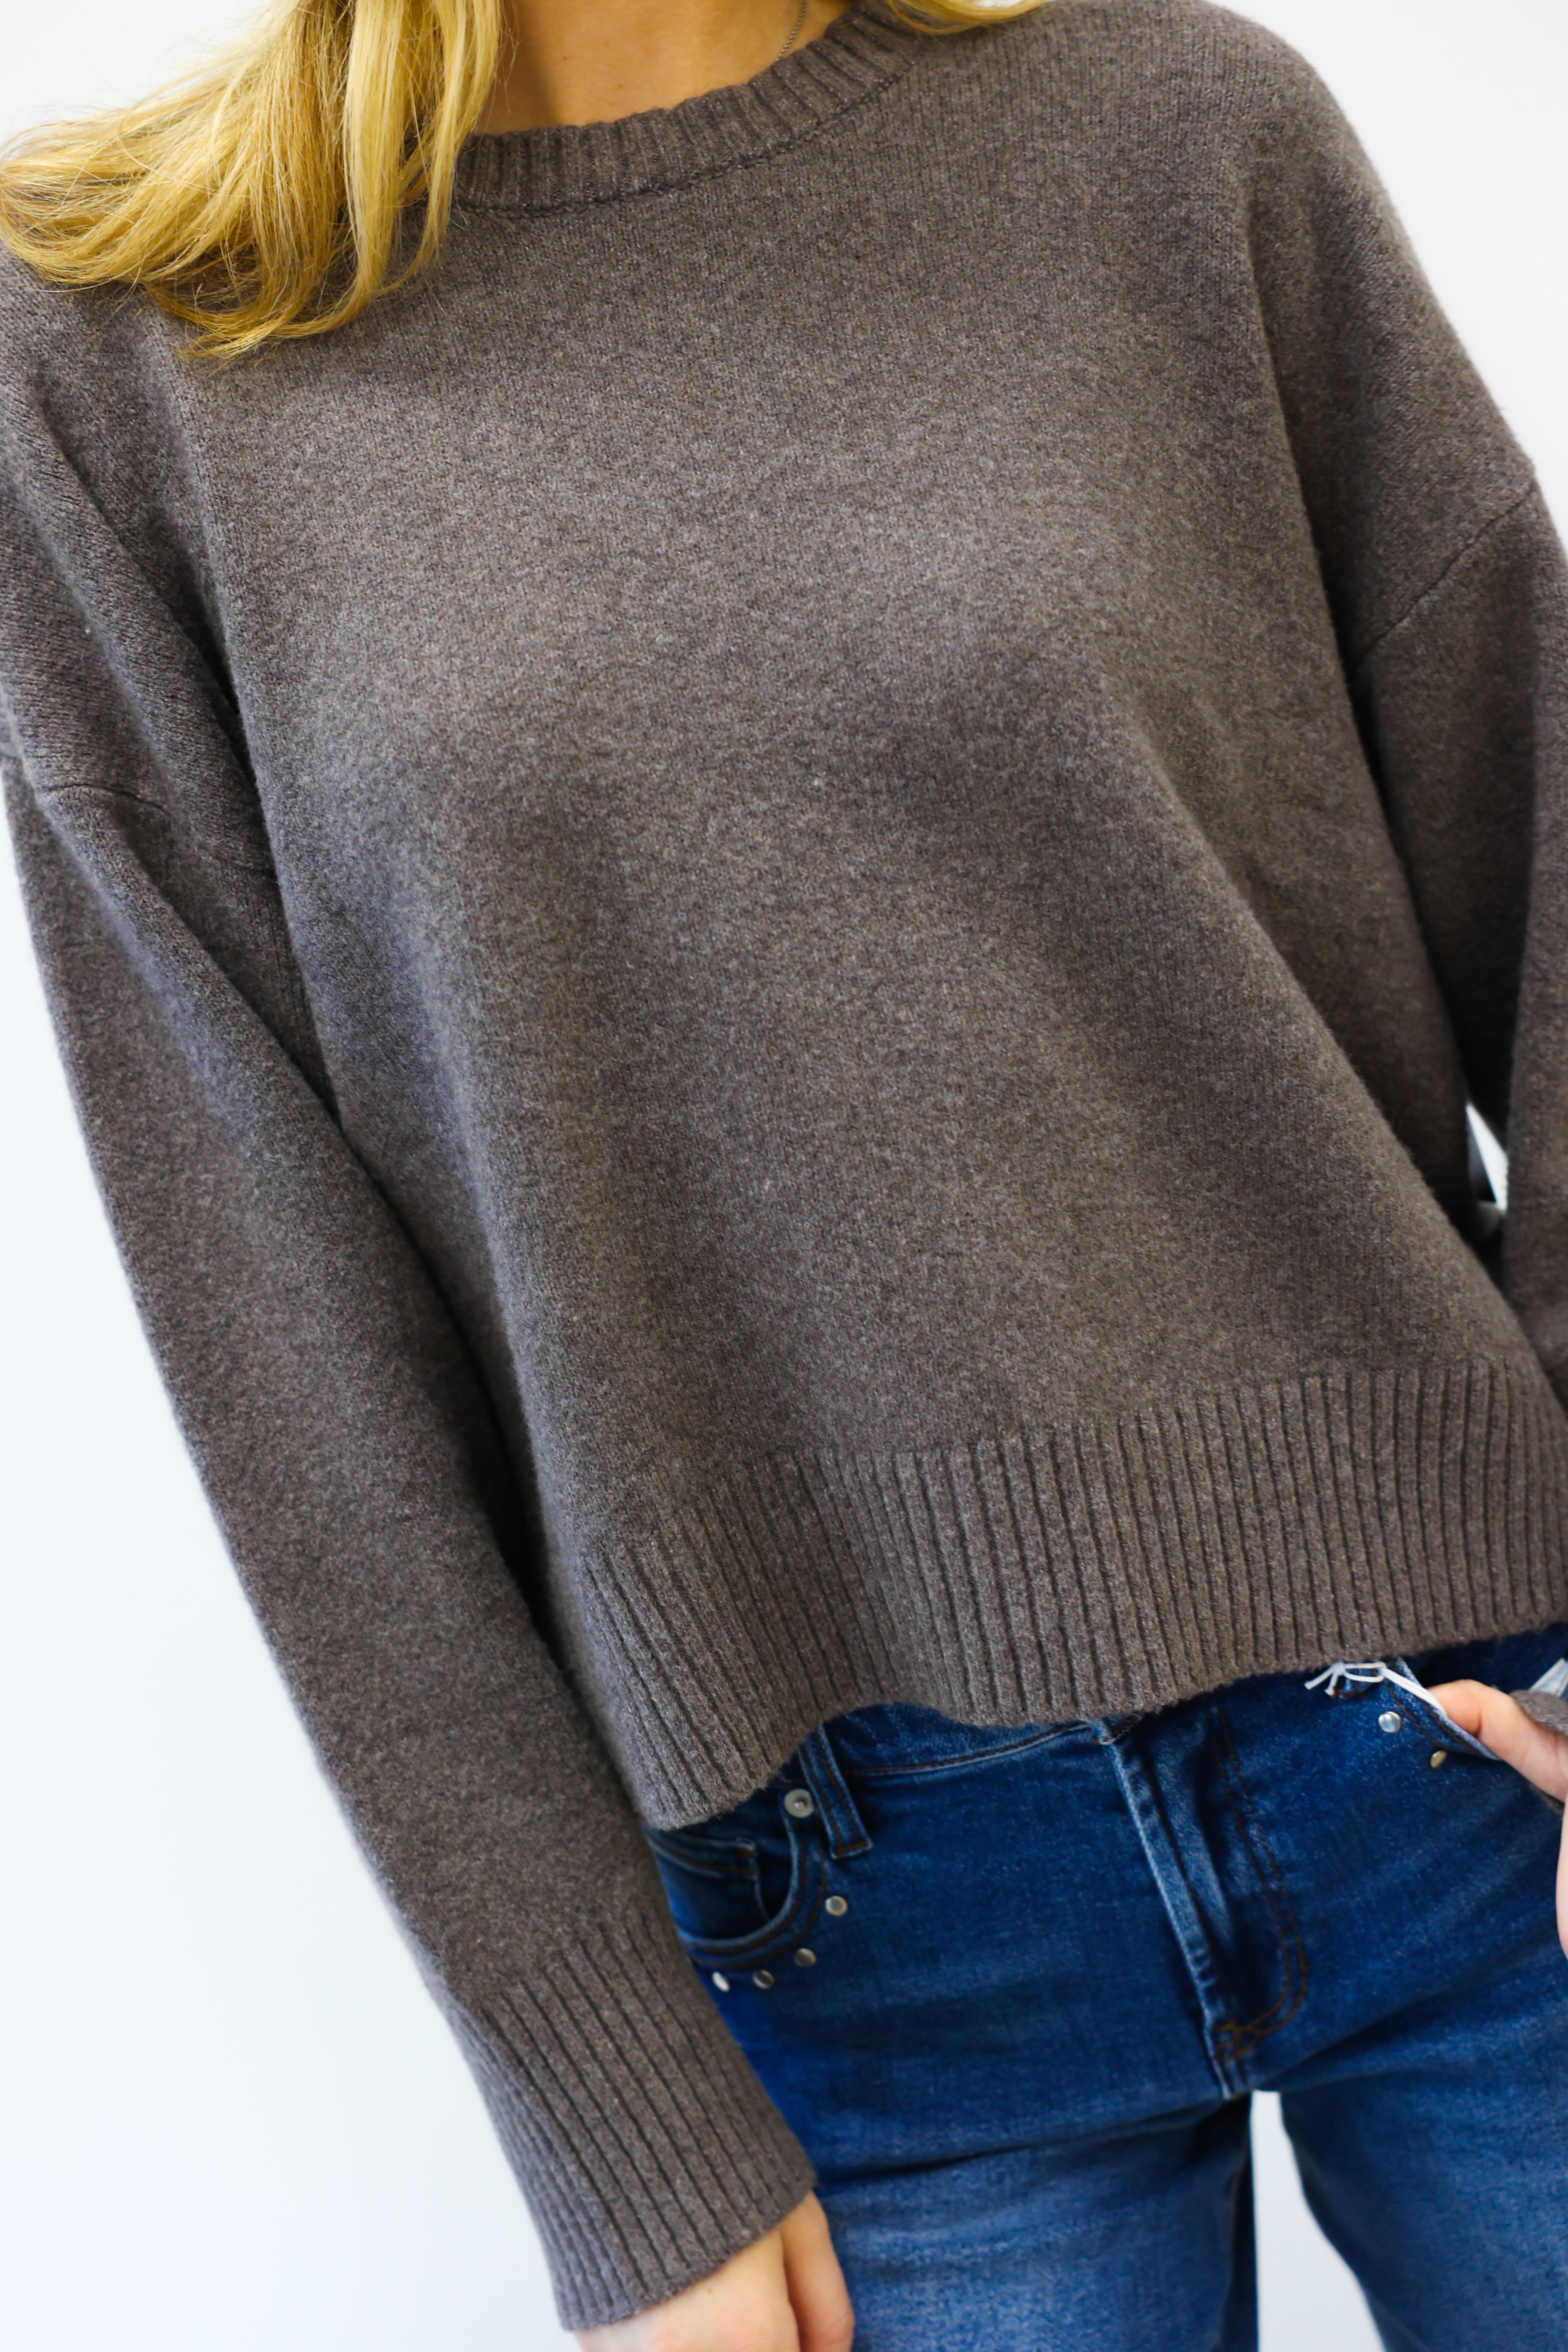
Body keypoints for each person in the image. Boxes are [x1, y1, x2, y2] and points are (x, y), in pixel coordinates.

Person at [2, 0, 1566, 2343]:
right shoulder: (118, 347)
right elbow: (281, 1334)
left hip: (1481, 1780)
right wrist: (615, 2136)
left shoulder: (1181, 140)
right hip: (851, 1921)